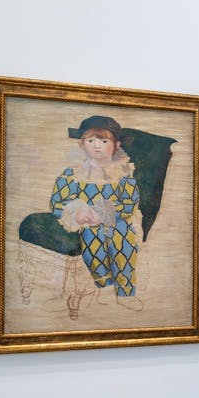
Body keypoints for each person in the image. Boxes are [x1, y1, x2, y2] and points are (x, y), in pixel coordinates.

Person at [50, 115, 144, 311]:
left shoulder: (123, 173)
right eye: (90, 140)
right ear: (81, 144)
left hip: (117, 218)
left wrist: (103, 213)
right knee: (92, 235)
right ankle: (104, 284)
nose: (97, 146)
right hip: (86, 220)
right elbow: (57, 202)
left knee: (121, 236)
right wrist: (77, 211)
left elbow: (130, 203)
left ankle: (125, 291)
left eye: (104, 140)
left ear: (116, 144)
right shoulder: (73, 173)